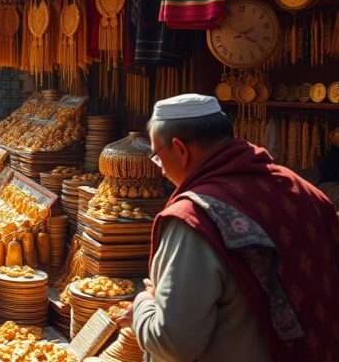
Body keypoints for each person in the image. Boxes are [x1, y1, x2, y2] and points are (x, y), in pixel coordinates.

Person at [116, 94, 339, 361]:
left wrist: (143, 305)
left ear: (180, 149)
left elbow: (173, 342)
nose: (162, 171)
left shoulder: (194, 218)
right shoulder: (306, 193)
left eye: (158, 158)